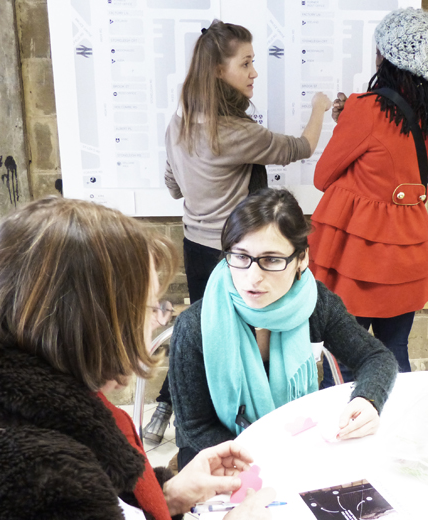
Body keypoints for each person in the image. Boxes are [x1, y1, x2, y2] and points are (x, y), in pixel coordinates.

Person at [0, 197, 275, 520]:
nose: (156, 322)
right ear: (93, 323)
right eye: (151, 308)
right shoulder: (43, 478)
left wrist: (167, 495)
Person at [144, 18, 333, 444]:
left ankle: (162, 411)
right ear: (217, 71)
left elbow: (173, 188)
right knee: (239, 343)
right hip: (235, 256)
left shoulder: (179, 124)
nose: (254, 73)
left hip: (196, 245)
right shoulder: (237, 133)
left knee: (201, 329)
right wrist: (320, 107)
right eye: (245, 63)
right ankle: (245, 427)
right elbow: (299, 148)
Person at [168, 188, 398, 470]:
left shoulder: (315, 303)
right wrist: (265, 455)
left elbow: (375, 357)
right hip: (216, 459)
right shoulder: (196, 326)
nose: (252, 278)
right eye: (240, 257)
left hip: (293, 449)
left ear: (302, 259)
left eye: (272, 260)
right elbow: (196, 427)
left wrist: (368, 399)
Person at [309, 8, 428, 385]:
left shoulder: (366, 109)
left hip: (361, 258)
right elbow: (395, 162)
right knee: (395, 352)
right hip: (407, 252)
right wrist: (350, 123)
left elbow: (323, 177)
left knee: (344, 362)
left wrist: (350, 122)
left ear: (385, 56)